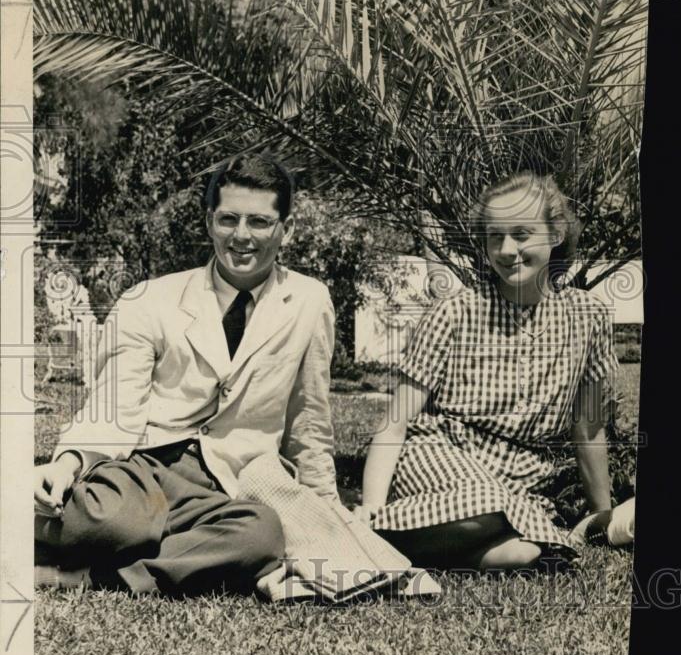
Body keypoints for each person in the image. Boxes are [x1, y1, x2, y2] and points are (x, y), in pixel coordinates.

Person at [34, 154, 339, 596]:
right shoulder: (150, 298)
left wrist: (325, 514)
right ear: (209, 221)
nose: (241, 236)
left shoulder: (310, 301)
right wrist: (69, 463)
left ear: (286, 229)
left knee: (263, 535)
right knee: (110, 518)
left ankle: (95, 575)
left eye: (259, 222)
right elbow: (116, 404)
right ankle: (115, 541)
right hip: (146, 470)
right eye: (228, 219)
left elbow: (309, 420)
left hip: (225, 493)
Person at [355, 171, 618, 570]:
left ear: (556, 234)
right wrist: (372, 505)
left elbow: (589, 426)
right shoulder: (456, 312)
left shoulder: (589, 316)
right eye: (495, 237)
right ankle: (382, 533)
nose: (508, 249)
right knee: (488, 506)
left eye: (522, 233)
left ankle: (471, 547)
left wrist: (602, 516)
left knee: (512, 529)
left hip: (524, 480)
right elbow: (395, 424)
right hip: (439, 455)